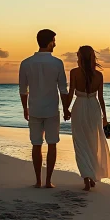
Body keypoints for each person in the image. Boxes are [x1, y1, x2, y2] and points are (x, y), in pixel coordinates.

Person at [18, 29, 71, 188]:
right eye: (54, 40)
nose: (55, 43)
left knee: (36, 144)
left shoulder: (26, 63)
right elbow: (63, 89)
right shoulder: (57, 63)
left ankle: (38, 181)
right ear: (49, 42)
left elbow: (23, 89)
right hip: (51, 110)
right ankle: (48, 181)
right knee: (52, 144)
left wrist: (25, 108)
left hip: (34, 108)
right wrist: (67, 108)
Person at [69, 45, 110, 191]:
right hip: (94, 108)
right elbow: (101, 98)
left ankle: (86, 177)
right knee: (93, 142)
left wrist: (65, 109)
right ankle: (92, 174)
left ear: (81, 57)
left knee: (80, 142)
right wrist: (104, 117)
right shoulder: (99, 75)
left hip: (79, 106)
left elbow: (70, 94)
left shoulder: (74, 73)